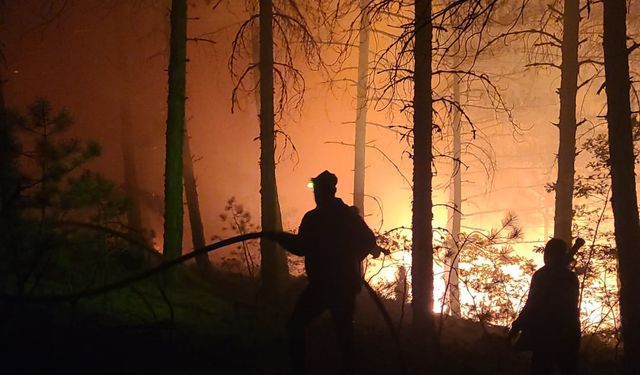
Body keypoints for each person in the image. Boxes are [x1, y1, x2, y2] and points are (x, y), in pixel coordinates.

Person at [267, 170, 384, 374]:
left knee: (296, 326)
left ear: (324, 192)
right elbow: (369, 242)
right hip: (345, 286)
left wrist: (279, 237)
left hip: (323, 286)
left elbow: (301, 247)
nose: (316, 194)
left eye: (318, 190)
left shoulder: (315, 218)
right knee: (344, 336)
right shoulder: (349, 216)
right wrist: (353, 259)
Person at [509, 238, 581, 374]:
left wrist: (517, 326)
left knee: (541, 369)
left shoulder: (542, 276)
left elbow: (533, 304)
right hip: (569, 332)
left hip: (546, 334)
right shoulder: (571, 278)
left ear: (548, 255)